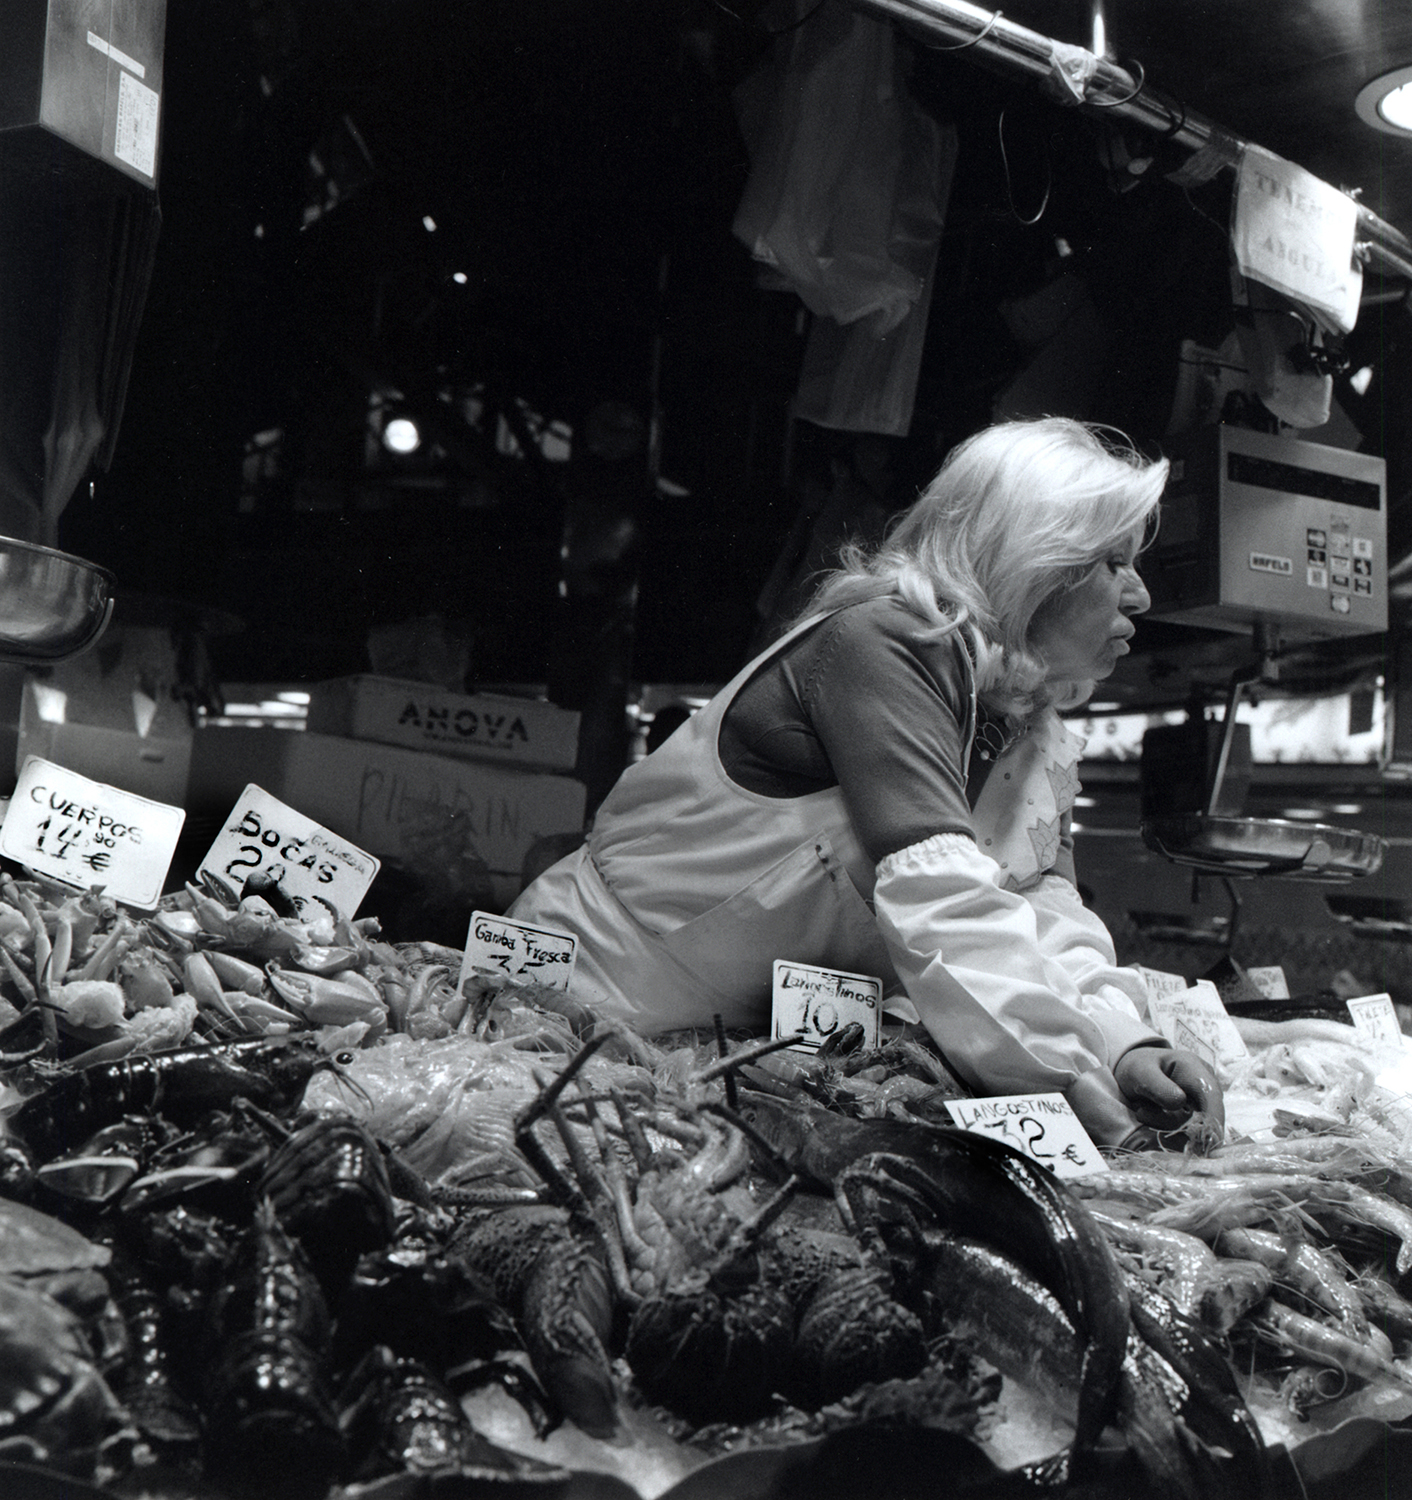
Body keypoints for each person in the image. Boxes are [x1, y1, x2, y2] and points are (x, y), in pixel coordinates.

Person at [510, 416, 1223, 1147]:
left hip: (740, 1055)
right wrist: (1064, 1072)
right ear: (1038, 557)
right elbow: (938, 895)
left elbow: (1040, 902)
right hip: (581, 1014)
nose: (1139, 596)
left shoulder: (1031, 714)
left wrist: (1120, 1040)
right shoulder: (889, 640)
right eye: (1115, 562)